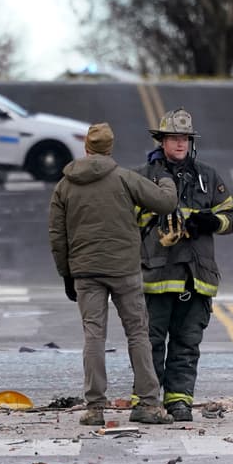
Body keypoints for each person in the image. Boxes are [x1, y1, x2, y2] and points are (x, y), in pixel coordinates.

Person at [49, 122, 178, 426]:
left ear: (86, 148)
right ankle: (148, 403)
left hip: (85, 271)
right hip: (124, 270)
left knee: (93, 335)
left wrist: (66, 274)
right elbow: (165, 203)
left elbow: (57, 235)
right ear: (110, 149)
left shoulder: (65, 185)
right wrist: (165, 179)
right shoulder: (124, 178)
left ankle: (95, 407)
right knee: (138, 333)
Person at [134, 109, 233, 422]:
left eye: (184, 138)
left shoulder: (208, 177)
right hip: (158, 273)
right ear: (162, 141)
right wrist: (159, 220)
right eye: (173, 138)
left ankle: (179, 401)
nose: (179, 144)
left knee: (187, 342)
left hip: (197, 276)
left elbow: (230, 217)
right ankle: (146, 402)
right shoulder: (144, 177)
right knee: (150, 342)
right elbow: (129, 217)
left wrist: (210, 222)